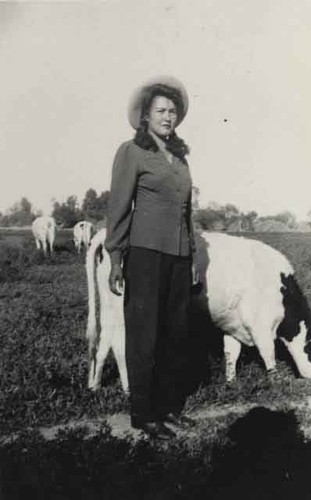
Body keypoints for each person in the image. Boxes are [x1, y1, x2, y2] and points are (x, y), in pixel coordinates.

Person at [105, 76, 197, 440]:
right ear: (145, 116)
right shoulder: (131, 152)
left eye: (173, 111)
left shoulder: (181, 158)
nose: (168, 116)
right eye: (160, 110)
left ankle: (169, 407)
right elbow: (119, 206)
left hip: (179, 255)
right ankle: (144, 413)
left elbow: (189, 210)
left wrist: (191, 258)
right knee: (145, 335)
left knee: (175, 335)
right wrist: (115, 256)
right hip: (144, 254)